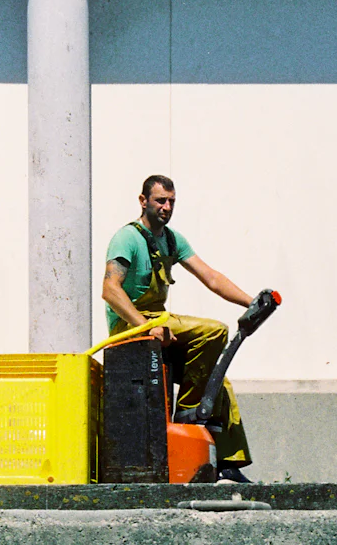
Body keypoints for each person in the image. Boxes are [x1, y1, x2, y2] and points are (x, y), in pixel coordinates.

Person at [101, 174, 257, 484]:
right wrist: (144, 326)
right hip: (131, 325)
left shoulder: (172, 239)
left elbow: (210, 277)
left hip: (159, 321)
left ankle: (227, 463)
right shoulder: (127, 238)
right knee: (214, 331)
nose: (166, 207)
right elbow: (110, 290)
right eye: (160, 200)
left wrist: (252, 303)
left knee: (217, 381)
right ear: (143, 201)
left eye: (171, 201)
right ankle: (187, 415)